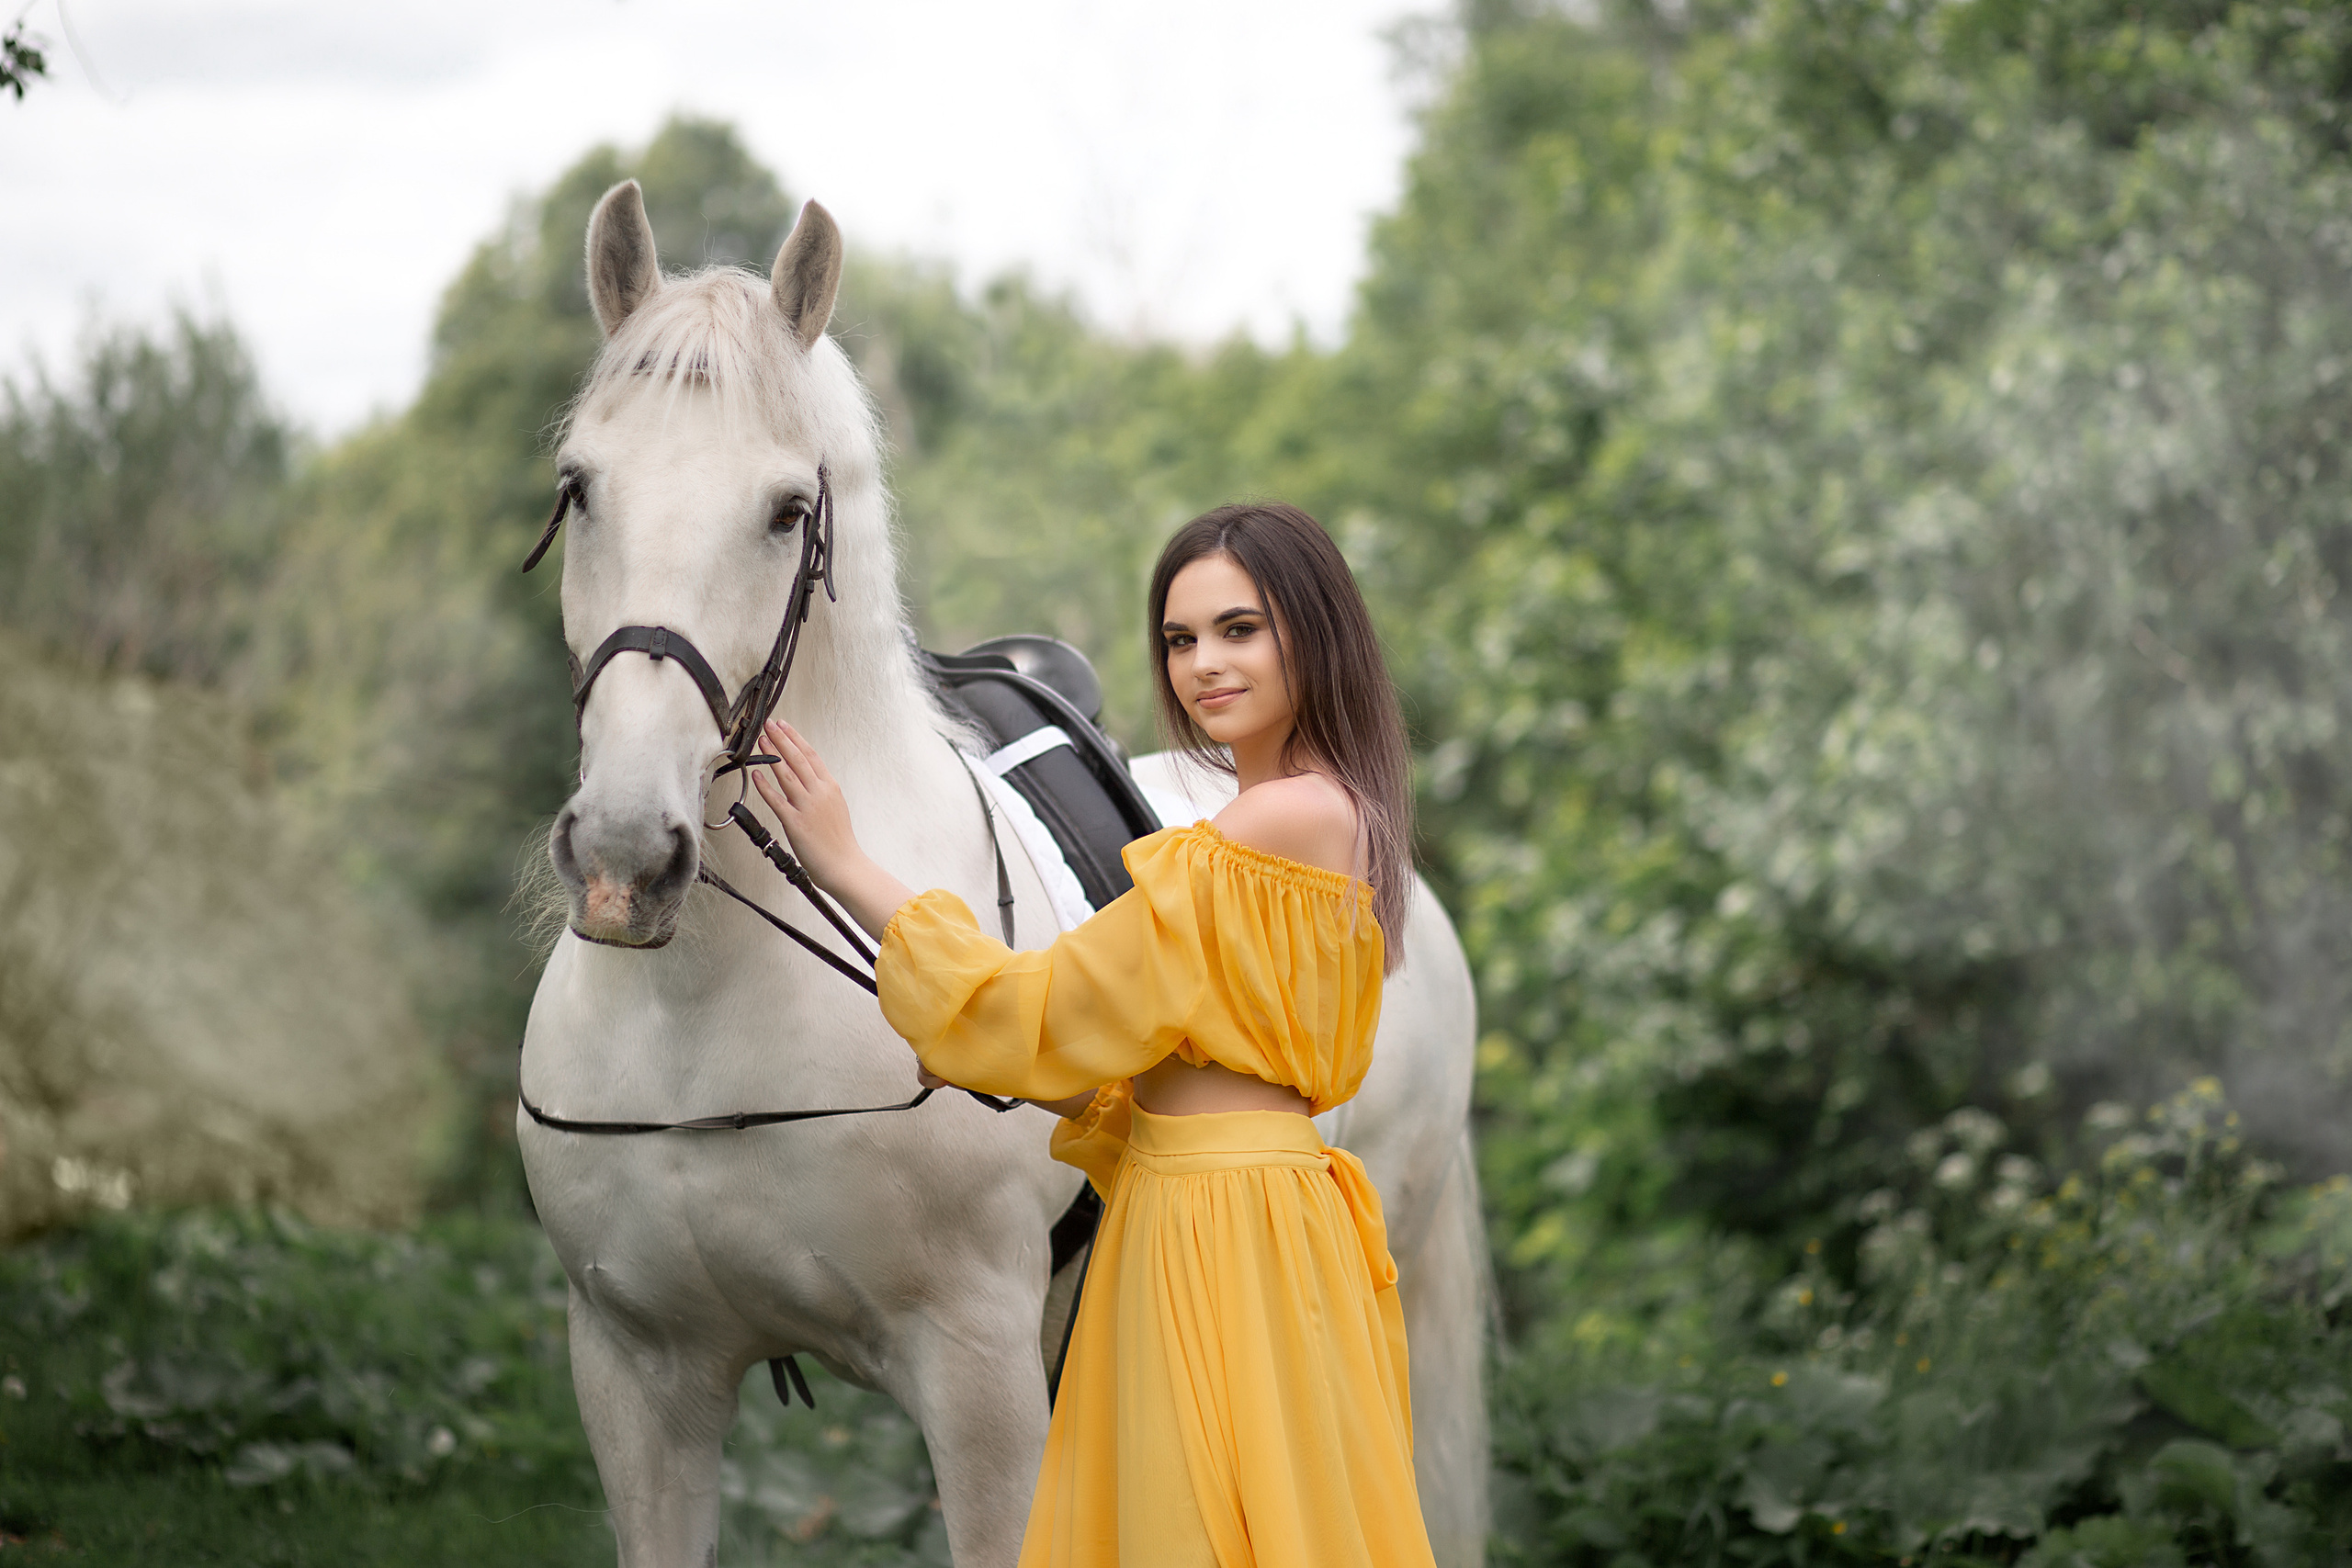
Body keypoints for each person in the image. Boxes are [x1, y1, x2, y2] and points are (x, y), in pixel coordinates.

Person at [752, 501, 1436, 1567]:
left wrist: (847, 864)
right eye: (1179, 638)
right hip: (1226, 1211)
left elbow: (1044, 1013)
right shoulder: (1321, 812)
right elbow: (1167, 1066)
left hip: (1219, 1228)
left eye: (1238, 629)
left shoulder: (1266, 824)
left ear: (1314, 633)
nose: (1203, 663)